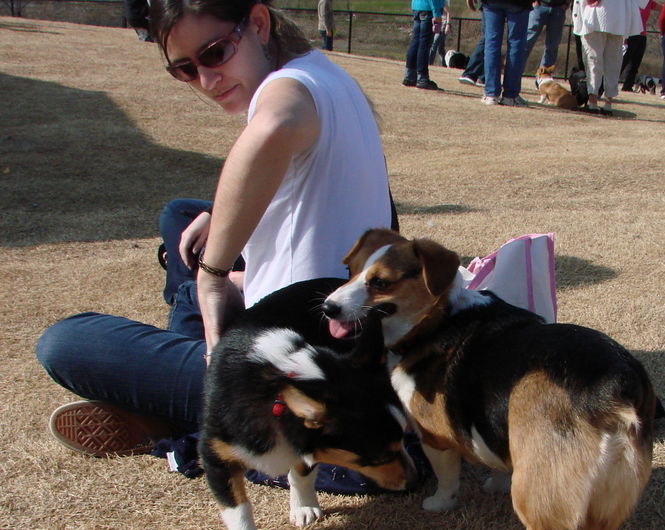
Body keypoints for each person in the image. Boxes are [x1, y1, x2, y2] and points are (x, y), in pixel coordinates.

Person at [36, 0, 399, 487]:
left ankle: (181, 418)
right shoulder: (323, 72)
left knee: (66, 342)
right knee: (181, 217)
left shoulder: (284, 89)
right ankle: (185, 375)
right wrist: (229, 249)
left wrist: (213, 278)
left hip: (301, 365)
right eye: (184, 69)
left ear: (258, 23)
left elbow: (275, 126)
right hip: (322, 308)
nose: (206, 80)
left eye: (214, 53)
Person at [571, 0, 649, 115]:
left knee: (593, 60)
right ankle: (608, 103)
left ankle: (593, 103)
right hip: (619, 18)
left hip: (596, 16)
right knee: (613, 62)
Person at [479, 0, 533, 106]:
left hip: (491, 3)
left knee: (491, 42)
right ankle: (510, 96)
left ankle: (491, 94)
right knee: (516, 44)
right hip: (519, 4)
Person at [619, 0, 662, 92]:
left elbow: (662, 8)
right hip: (630, 34)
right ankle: (609, 84)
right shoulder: (630, 2)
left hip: (642, 35)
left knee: (635, 64)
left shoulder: (648, 2)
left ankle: (627, 86)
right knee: (622, 61)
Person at [403, 0, 445, 89]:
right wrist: (436, 13)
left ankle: (409, 76)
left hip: (417, 7)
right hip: (428, 9)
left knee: (416, 42)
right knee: (424, 44)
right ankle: (422, 78)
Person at [524, 0, 570, 71]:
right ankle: (515, 74)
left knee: (552, 45)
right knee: (527, 42)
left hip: (558, 8)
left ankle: (543, 76)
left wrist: (566, 3)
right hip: (539, 6)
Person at [429, 0, 451, 66]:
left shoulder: (444, 1)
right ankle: (444, 65)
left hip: (443, 23)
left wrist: (448, 24)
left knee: (434, 43)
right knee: (440, 47)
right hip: (437, 22)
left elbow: (448, 12)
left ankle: (429, 63)